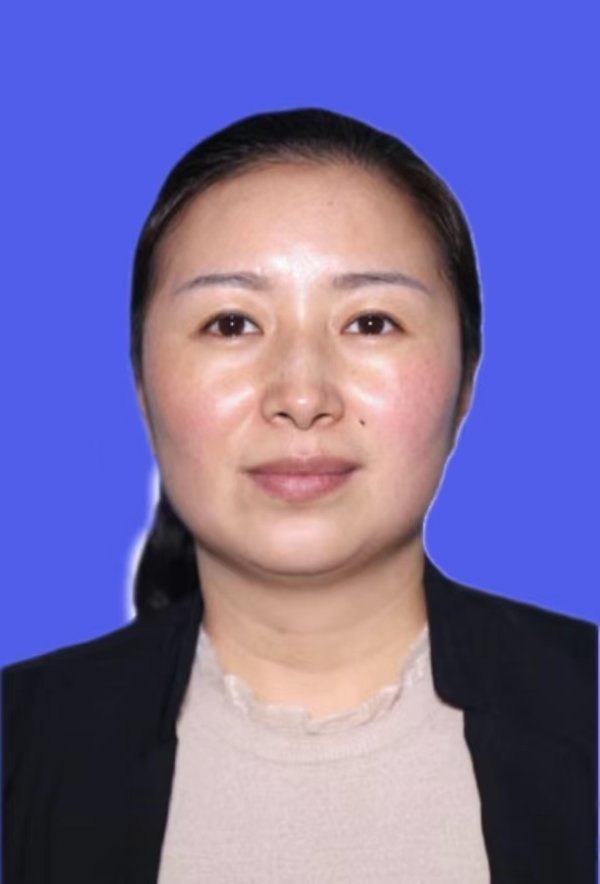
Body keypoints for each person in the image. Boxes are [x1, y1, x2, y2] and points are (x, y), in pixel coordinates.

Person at [2, 108, 596, 883]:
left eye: (371, 322)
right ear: (142, 386)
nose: (303, 395)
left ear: (466, 383)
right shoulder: (19, 743)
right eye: (231, 324)